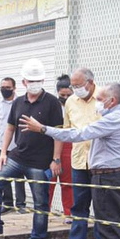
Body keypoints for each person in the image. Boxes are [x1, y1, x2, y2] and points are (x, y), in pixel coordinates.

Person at [20, 82, 120, 239]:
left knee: (108, 229)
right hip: (118, 174)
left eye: (100, 100)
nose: (97, 104)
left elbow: (78, 134)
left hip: (108, 178)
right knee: (118, 227)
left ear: (112, 101)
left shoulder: (113, 120)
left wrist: (43, 129)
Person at [0, 58, 64, 239]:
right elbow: (10, 128)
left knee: (40, 200)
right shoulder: (18, 102)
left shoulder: (52, 103)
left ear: (43, 80)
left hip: (40, 161)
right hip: (17, 157)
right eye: (31, 81)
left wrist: (55, 159)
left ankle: (37, 238)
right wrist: (2, 153)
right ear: (24, 82)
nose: (35, 85)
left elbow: (58, 133)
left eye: (38, 80)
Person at [62, 68, 101, 239]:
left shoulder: (104, 97)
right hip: (79, 160)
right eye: (73, 86)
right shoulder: (70, 102)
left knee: (102, 205)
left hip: (101, 162)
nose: (75, 89)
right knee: (79, 205)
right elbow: (68, 130)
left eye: (78, 85)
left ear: (90, 82)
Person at [0, 77, 27, 214]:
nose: (4, 90)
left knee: (19, 177)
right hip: (0, 146)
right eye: (2, 87)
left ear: (14, 88)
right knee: (3, 176)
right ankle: (8, 203)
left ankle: (21, 204)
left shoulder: (20, 103)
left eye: (7, 88)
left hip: (17, 147)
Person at [49, 75, 74, 220]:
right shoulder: (52, 105)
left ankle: (69, 213)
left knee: (68, 182)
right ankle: (44, 212)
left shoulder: (76, 106)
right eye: (62, 95)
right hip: (51, 145)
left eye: (68, 95)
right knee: (49, 182)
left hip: (69, 145)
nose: (65, 98)